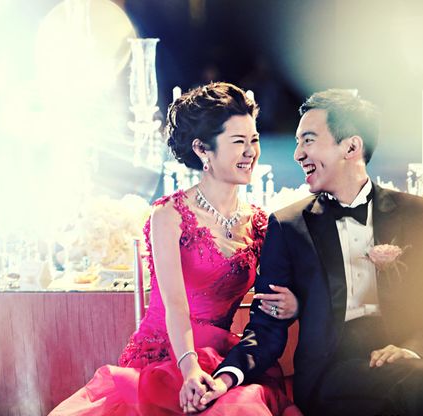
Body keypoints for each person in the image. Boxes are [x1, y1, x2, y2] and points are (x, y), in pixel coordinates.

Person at [195, 89, 423, 415]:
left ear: (351, 147)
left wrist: (413, 350)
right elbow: (265, 328)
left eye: (308, 140)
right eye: (297, 142)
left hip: (403, 362)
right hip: (330, 375)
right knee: (422, 382)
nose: (297, 154)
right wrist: (225, 377)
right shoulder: (288, 226)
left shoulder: (419, 215)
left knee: (420, 376)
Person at [49, 82, 301, 416]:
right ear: (203, 150)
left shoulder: (259, 223)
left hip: (221, 359)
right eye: (238, 141)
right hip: (165, 356)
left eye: (253, 140)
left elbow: (271, 300)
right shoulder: (169, 216)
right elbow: (175, 306)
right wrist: (189, 368)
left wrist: (294, 304)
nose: (250, 152)